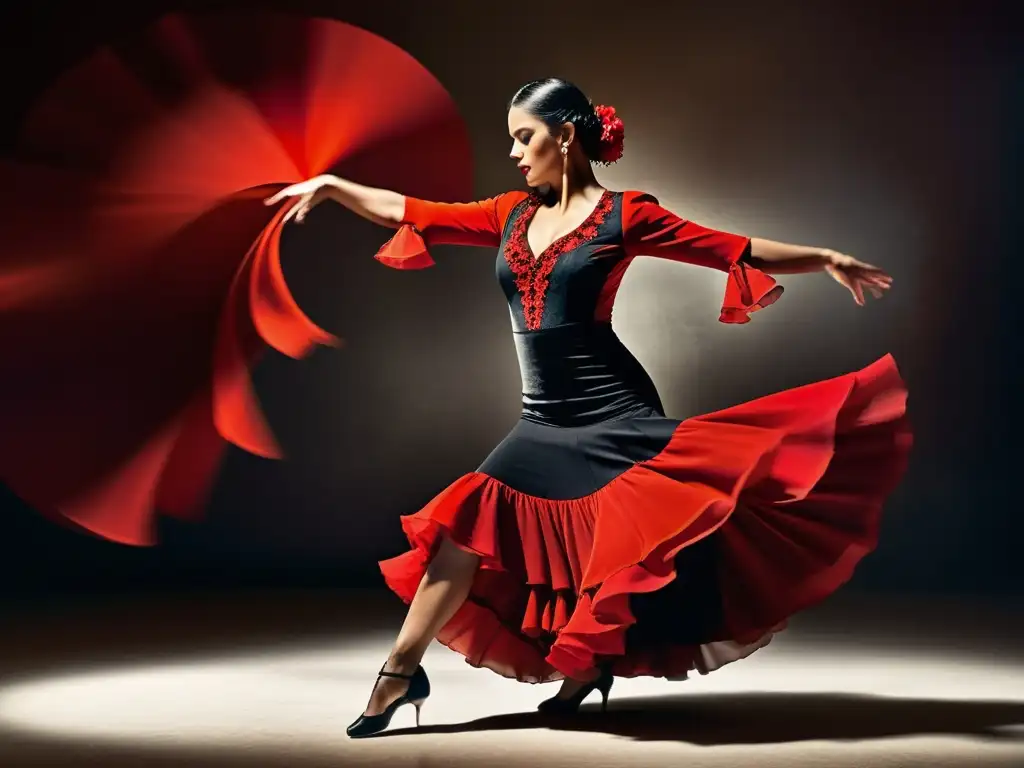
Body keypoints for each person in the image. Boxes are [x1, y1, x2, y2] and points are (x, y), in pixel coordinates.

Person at [265, 77, 911, 739]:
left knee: (611, 552)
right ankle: (403, 670)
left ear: (565, 136)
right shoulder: (507, 216)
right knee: (464, 528)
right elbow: (414, 212)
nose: (515, 152)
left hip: (613, 410)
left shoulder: (625, 215)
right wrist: (334, 187)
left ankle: (563, 670)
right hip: (544, 416)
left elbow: (732, 249)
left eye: (524, 136)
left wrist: (825, 257)